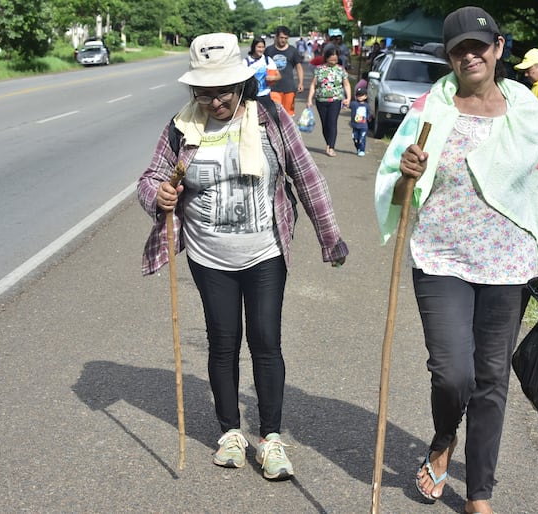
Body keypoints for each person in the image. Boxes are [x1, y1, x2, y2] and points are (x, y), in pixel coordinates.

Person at [374, 7, 538, 514]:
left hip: (509, 263)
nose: (470, 55)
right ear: (450, 57)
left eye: (478, 45)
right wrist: (406, 175)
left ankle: (479, 491)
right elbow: (395, 193)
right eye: (459, 48)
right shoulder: (430, 110)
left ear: (498, 48)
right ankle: (443, 441)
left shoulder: (526, 111)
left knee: (491, 380)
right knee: (452, 373)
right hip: (441, 258)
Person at [137, 33, 348, 481]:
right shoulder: (181, 128)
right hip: (208, 254)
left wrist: (330, 237)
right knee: (222, 341)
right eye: (205, 92)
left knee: (266, 341)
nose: (215, 101)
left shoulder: (270, 117)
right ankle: (230, 432)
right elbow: (150, 178)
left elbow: (306, 177)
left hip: (265, 251)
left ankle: (270, 438)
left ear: (242, 85)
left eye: (225, 91)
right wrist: (159, 193)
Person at [307, 47, 351, 157]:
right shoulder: (319, 69)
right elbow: (313, 85)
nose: (333, 62)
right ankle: (328, 142)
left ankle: (331, 146)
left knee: (332, 123)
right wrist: (309, 99)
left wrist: (348, 98)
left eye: (335, 60)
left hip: (335, 100)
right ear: (326, 58)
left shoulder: (341, 70)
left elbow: (346, 84)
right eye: (331, 60)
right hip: (321, 100)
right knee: (325, 124)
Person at [265, 26, 304, 116]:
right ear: (276, 37)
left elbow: (299, 67)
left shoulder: (292, 50)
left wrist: (301, 83)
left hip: (289, 88)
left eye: (286, 38)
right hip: (273, 88)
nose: (283, 40)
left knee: (288, 116)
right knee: (274, 114)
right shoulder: (269, 50)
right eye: (281, 37)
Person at [349, 87, 369, 156]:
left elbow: (368, 113)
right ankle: (358, 148)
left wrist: (369, 118)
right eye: (358, 95)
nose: (360, 97)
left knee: (362, 138)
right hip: (355, 125)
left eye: (362, 95)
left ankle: (362, 150)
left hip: (363, 126)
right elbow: (347, 104)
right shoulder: (354, 104)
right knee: (355, 138)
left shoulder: (366, 105)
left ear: (366, 96)